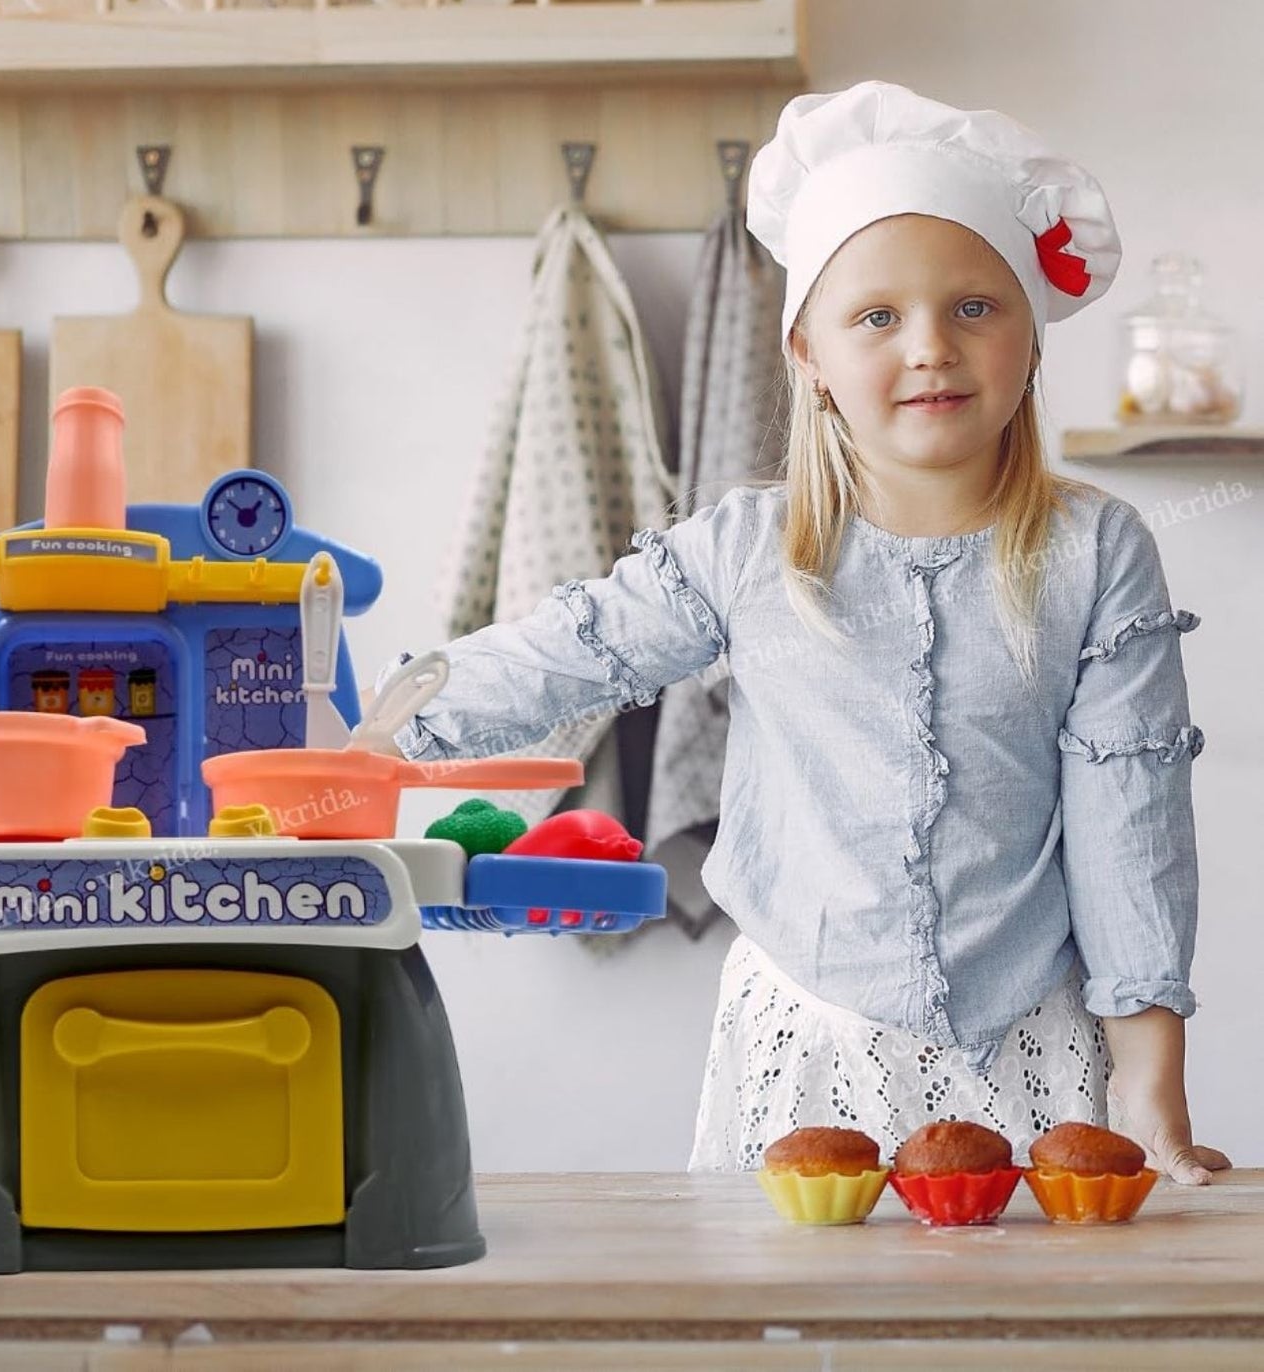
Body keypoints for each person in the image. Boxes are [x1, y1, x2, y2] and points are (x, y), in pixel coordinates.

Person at [371, 80, 1230, 1184]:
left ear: (1029, 338)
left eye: (976, 306)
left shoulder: (1100, 553)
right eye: (878, 316)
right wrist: (376, 734)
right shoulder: (745, 550)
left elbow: (1132, 822)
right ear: (810, 354)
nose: (931, 347)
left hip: (1037, 1047)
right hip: (805, 1048)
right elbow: (570, 649)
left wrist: (1152, 1093)